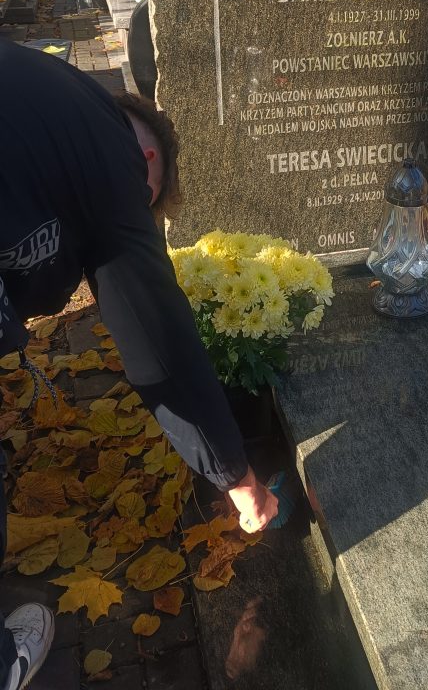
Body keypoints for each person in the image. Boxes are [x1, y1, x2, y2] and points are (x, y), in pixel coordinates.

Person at [0, 40, 278, 689]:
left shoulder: (49, 90)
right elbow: (157, 336)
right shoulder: (108, 151)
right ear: (147, 159)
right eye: (144, 205)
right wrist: (236, 477)